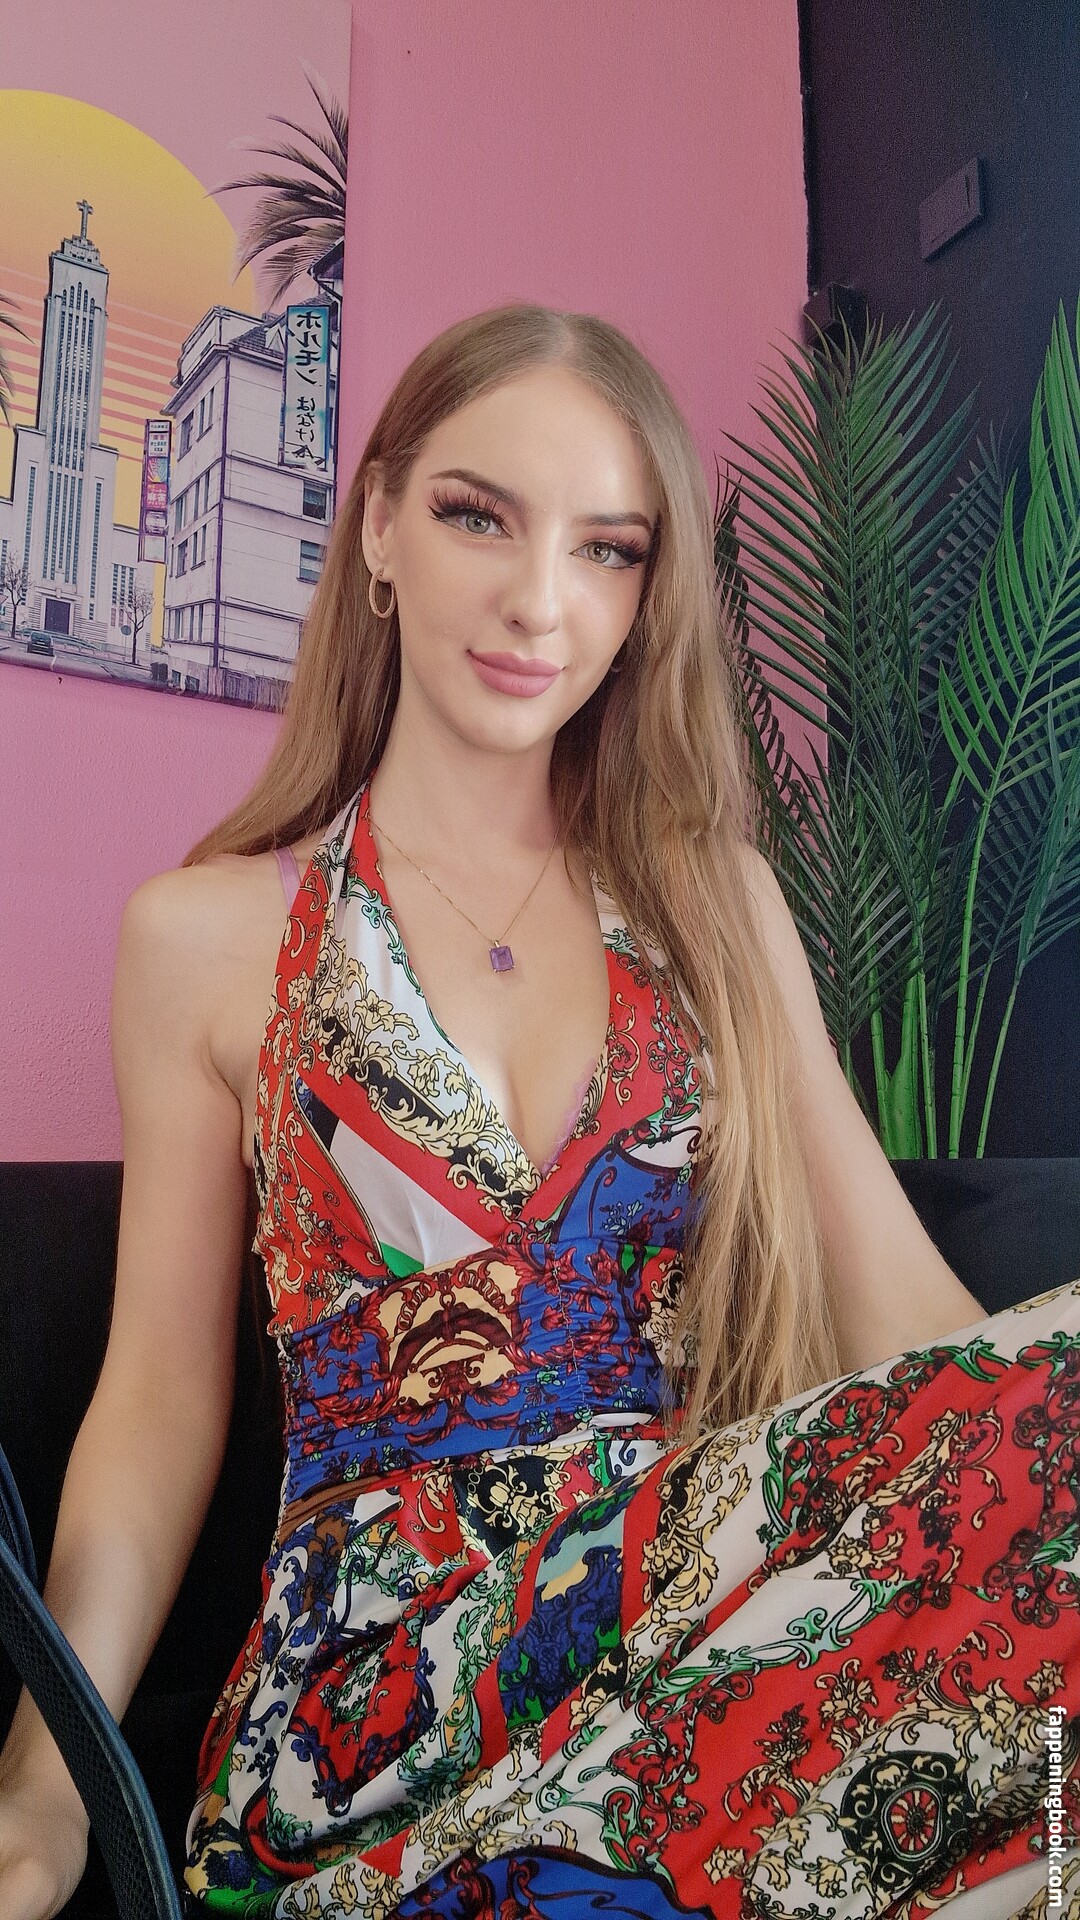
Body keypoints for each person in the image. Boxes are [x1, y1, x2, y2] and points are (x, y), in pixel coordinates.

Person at [0, 302, 1074, 1920]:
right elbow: (157, 1402)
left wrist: (1016, 1474)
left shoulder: (718, 905)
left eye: (608, 549)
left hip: (690, 1631)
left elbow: (909, 1331)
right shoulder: (205, 935)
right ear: (378, 528)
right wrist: (45, 1790)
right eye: (477, 516)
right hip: (374, 1697)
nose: (538, 600)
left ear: (648, 598)